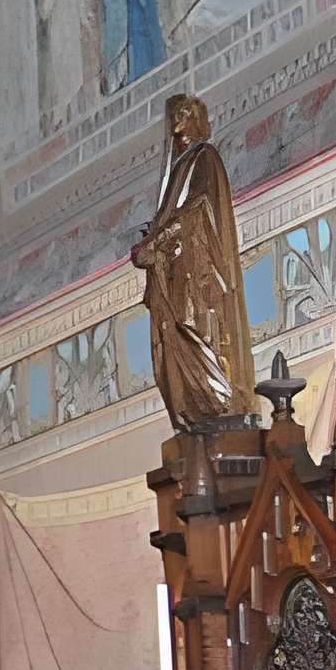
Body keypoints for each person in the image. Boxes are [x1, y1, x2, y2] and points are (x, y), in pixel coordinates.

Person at [134, 93, 255, 431]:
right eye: (175, 115)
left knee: (196, 333)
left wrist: (157, 241)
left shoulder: (204, 157)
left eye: (185, 114)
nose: (177, 122)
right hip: (172, 274)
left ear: (198, 121)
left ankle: (214, 404)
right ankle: (191, 412)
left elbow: (199, 207)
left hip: (195, 275)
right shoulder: (177, 168)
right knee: (169, 343)